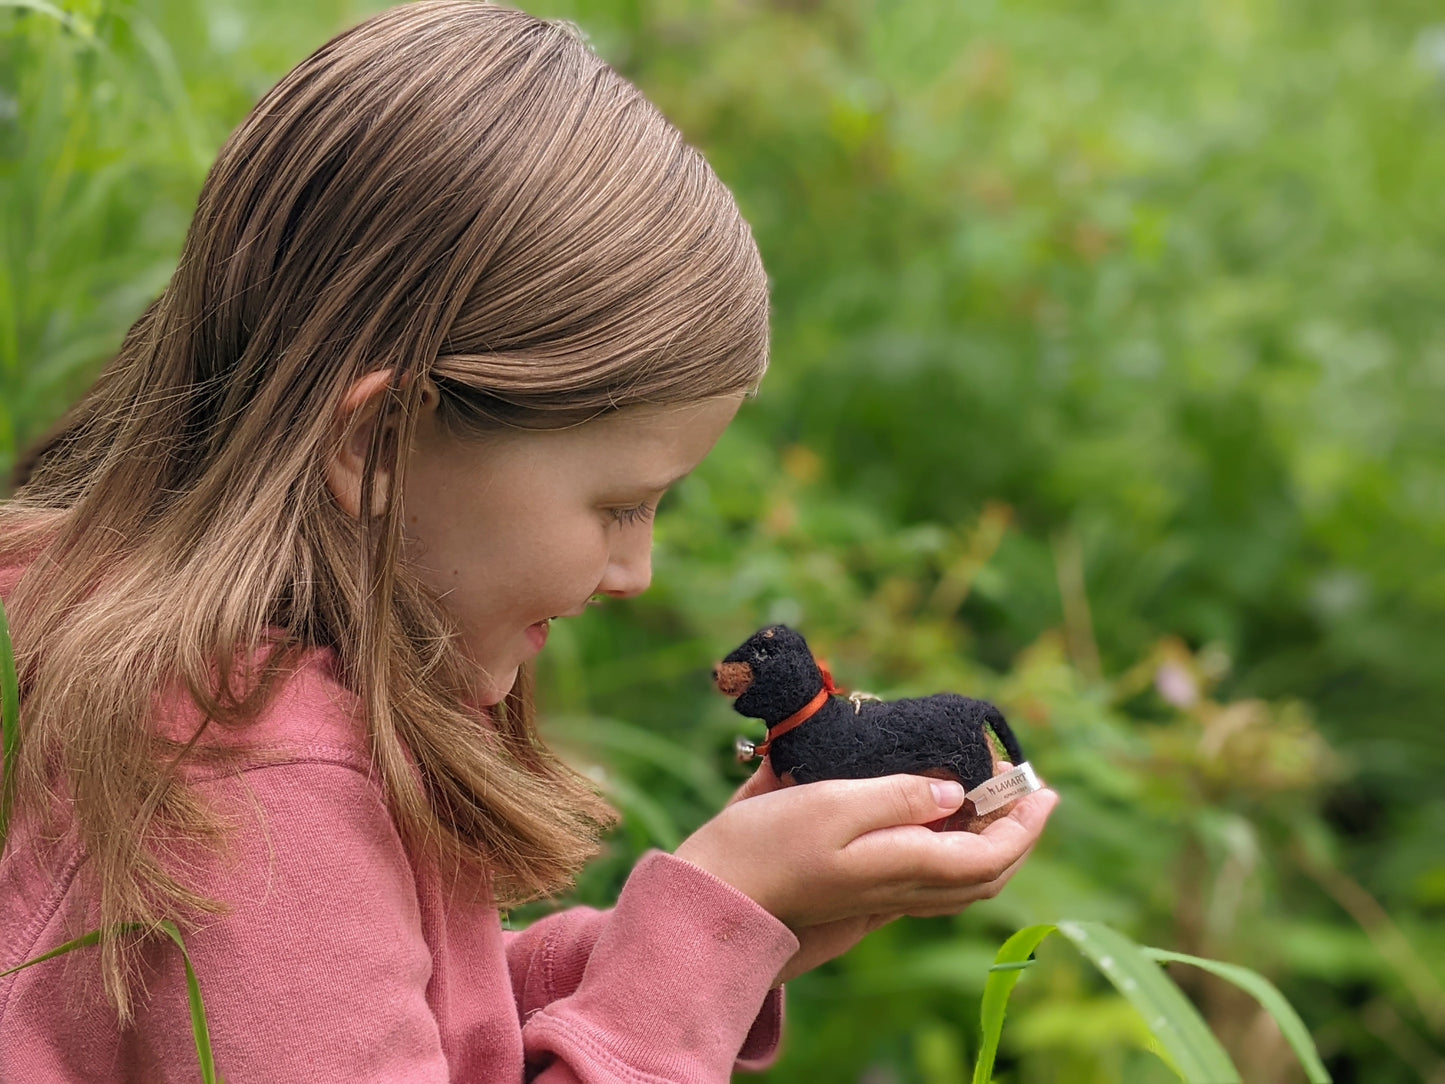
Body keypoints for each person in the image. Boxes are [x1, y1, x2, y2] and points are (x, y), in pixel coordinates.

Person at [0, 2, 1059, 1079]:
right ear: (376, 444)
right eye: (616, 504)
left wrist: (732, 931)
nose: (634, 571)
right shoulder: (256, 775)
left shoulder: (104, 638)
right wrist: (715, 923)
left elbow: (379, 1009)